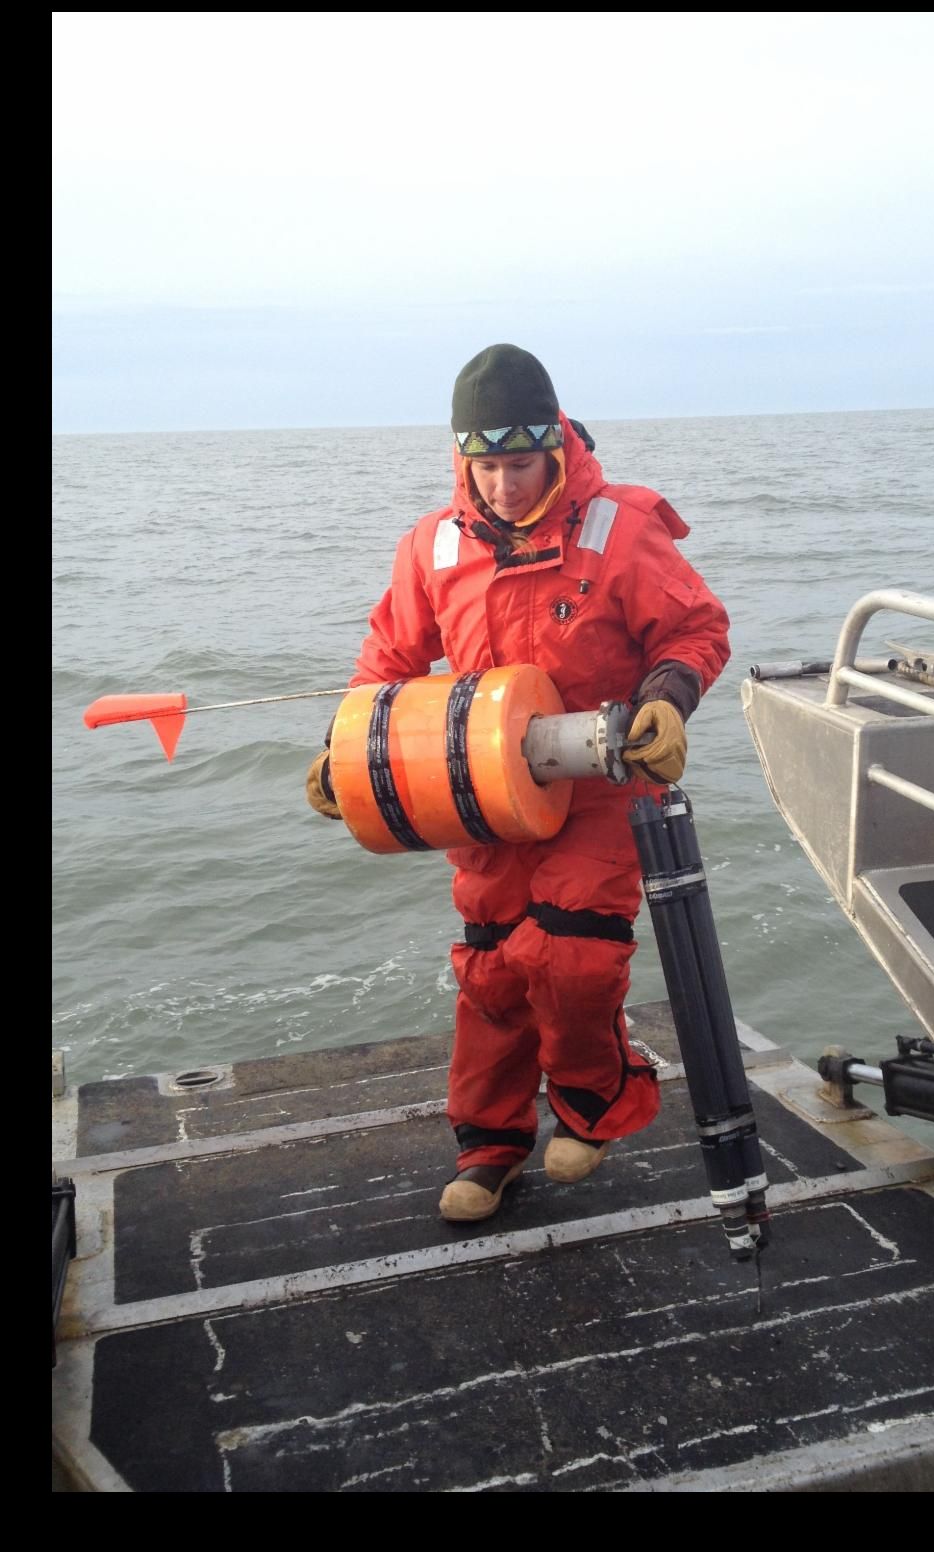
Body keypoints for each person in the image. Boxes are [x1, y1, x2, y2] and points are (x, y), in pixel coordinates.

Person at [306, 345, 730, 1221]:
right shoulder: (432, 545)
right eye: (486, 467)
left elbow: (695, 629)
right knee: (494, 968)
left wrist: (668, 701)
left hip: (602, 786)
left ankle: (592, 1103)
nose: (502, 485)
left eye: (521, 465)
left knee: (574, 957)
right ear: (464, 459)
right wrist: (339, 753)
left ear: (556, 449)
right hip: (481, 792)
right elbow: (387, 664)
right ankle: (489, 1146)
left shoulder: (620, 527)